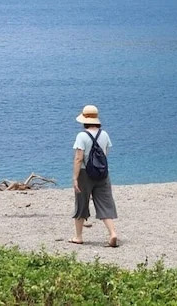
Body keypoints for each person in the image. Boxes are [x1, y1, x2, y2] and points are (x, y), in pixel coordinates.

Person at [69, 104, 118, 247]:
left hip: (85, 173)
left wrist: (75, 178)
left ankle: (78, 236)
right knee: (105, 203)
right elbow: (105, 153)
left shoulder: (82, 136)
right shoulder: (104, 134)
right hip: (102, 173)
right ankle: (112, 233)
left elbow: (78, 158)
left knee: (81, 204)